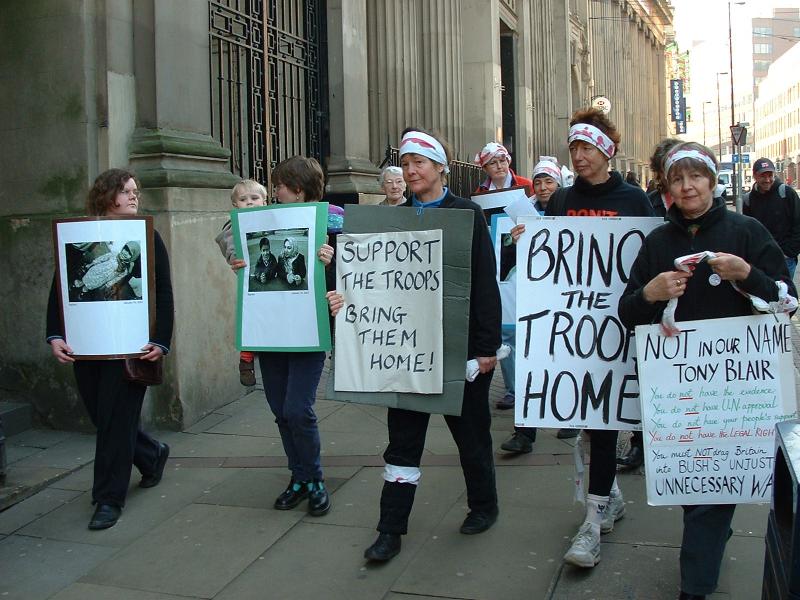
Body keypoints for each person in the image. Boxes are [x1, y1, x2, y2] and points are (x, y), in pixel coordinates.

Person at [619, 141, 795, 600]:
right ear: (668, 189)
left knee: (709, 499)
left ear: (713, 183)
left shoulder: (746, 230)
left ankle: (694, 587)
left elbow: (787, 302)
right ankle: (711, 542)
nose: (687, 186)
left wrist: (747, 273)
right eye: (677, 179)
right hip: (679, 389)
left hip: (734, 391)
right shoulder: (658, 243)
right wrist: (652, 293)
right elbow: (627, 312)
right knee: (695, 488)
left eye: (696, 177)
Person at [329, 127, 501, 562]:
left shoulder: (468, 215)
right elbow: (373, 280)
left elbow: (484, 284)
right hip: (406, 351)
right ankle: (390, 529)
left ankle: (483, 505)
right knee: (402, 442)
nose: (410, 171)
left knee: (472, 437)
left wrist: (485, 348)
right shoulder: (393, 217)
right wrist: (343, 297)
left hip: (459, 350)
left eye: (418, 163)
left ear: (441, 167)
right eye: (404, 165)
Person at [512, 108, 654, 566]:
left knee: (606, 422)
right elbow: (550, 262)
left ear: (606, 151)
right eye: (573, 147)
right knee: (589, 421)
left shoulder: (634, 200)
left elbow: (649, 259)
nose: (578, 156)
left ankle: (592, 522)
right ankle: (607, 497)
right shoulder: (562, 200)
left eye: (586, 147)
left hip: (619, 329)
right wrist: (527, 240)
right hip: (573, 333)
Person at [46, 169, 174, 530]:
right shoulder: (81, 235)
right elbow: (60, 290)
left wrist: (161, 341)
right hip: (86, 346)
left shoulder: (148, 237)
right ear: (107, 196)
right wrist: (55, 334)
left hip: (131, 347)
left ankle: (108, 498)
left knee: (115, 423)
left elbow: (163, 293)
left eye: (136, 191)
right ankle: (151, 455)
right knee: (103, 418)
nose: (135, 197)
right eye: (127, 191)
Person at [232, 156, 335, 517]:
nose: (274, 191)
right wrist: (236, 257)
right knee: (280, 410)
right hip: (271, 330)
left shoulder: (331, 222)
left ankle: (316, 479)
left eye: (278, 185)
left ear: (297, 188)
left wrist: (331, 260)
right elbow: (229, 240)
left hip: (307, 330)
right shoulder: (266, 221)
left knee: (297, 409)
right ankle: (299, 477)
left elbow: (350, 275)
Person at [498, 157, 563, 454]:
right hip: (531, 301)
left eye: (548, 181)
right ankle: (524, 432)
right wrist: (513, 243)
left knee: (562, 361)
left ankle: (571, 416)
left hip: (563, 301)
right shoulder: (523, 214)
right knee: (527, 364)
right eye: (538, 181)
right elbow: (506, 262)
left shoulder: (570, 212)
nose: (543, 186)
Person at [474, 142, 531, 411]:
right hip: (495, 260)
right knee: (505, 331)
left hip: (521, 258)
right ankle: (512, 388)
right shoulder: (480, 193)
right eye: (493, 163)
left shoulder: (526, 186)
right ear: (485, 167)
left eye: (502, 160)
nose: (499, 166)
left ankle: (529, 385)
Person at [215, 179, 268, 386]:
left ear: (264, 201)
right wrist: (235, 258)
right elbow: (228, 243)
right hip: (251, 281)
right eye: (243, 199)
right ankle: (246, 360)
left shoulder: (273, 219)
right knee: (251, 320)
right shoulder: (233, 225)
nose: (250, 202)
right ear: (235, 205)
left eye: (255, 198)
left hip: (271, 277)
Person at [743, 157, 800, 279]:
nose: (767, 180)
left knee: (785, 296)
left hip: (786, 259)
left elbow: (798, 223)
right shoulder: (748, 199)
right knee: (764, 296)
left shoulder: (786, 193)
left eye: (770, 175)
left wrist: (789, 252)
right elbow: (748, 231)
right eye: (763, 176)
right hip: (761, 260)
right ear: (755, 176)